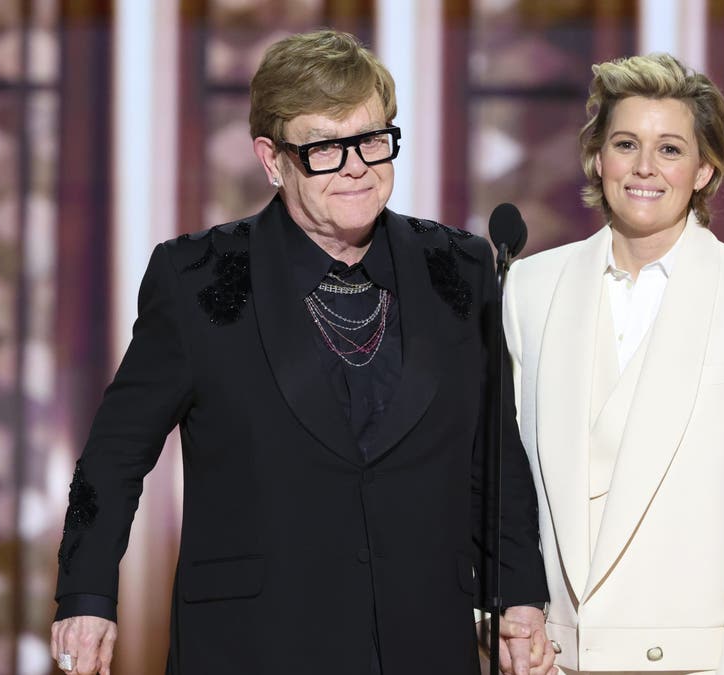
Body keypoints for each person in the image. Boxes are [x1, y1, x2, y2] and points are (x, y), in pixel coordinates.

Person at [49, 29, 556, 675]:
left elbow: (495, 453)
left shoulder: (458, 267)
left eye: (372, 139)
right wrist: (86, 594)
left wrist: (519, 595)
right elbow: (115, 455)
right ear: (272, 159)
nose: (355, 166)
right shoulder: (199, 277)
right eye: (324, 146)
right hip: (254, 639)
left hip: (423, 635)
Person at [502, 53, 724, 674]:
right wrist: (507, 618)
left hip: (695, 661)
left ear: (705, 170)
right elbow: (507, 478)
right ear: (596, 158)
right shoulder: (529, 287)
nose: (645, 167)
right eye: (626, 143)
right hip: (554, 660)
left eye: (670, 148)